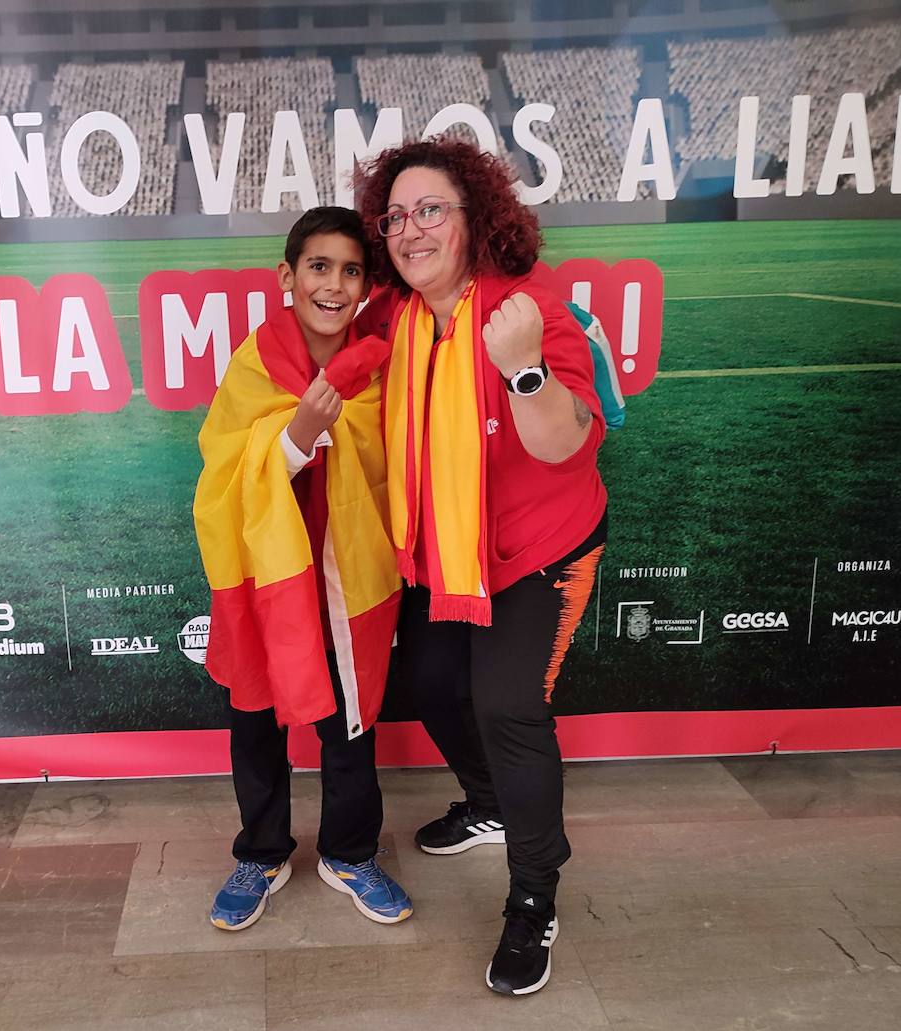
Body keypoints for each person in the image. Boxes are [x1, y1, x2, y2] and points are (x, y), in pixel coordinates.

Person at [353, 138, 608, 996]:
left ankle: (535, 896)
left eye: (431, 210)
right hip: (444, 554)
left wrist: (524, 370)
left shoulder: (526, 310)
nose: (411, 229)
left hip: (540, 551)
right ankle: (490, 801)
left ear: (476, 217)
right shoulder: (400, 314)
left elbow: (564, 444)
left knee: (508, 705)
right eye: (396, 216)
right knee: (428, 686)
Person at [193, 206, 412, 932]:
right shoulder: (254, 362)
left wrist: (336, 428)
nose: (335, 284)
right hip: (266, 583)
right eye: (319, 266)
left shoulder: (377, 366)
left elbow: (389, 468)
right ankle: (261, 850)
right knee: (254, 717)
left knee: (350, 723)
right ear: (287, 277)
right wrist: (294, 437)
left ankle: (350, 850)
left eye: (352, 271)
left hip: (346, 584)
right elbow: (221, 471)